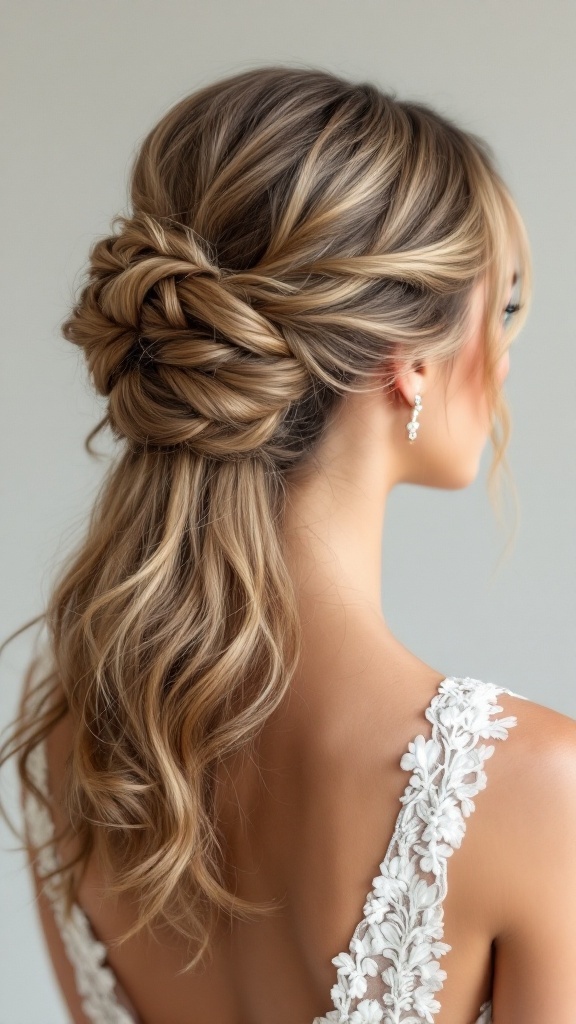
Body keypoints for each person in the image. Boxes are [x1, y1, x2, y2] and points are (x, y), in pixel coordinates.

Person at [1, 64, 576, 1024]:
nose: (507, 357)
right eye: (502, 307)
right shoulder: (534, 789)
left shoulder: (80, 738)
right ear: (413, 359)